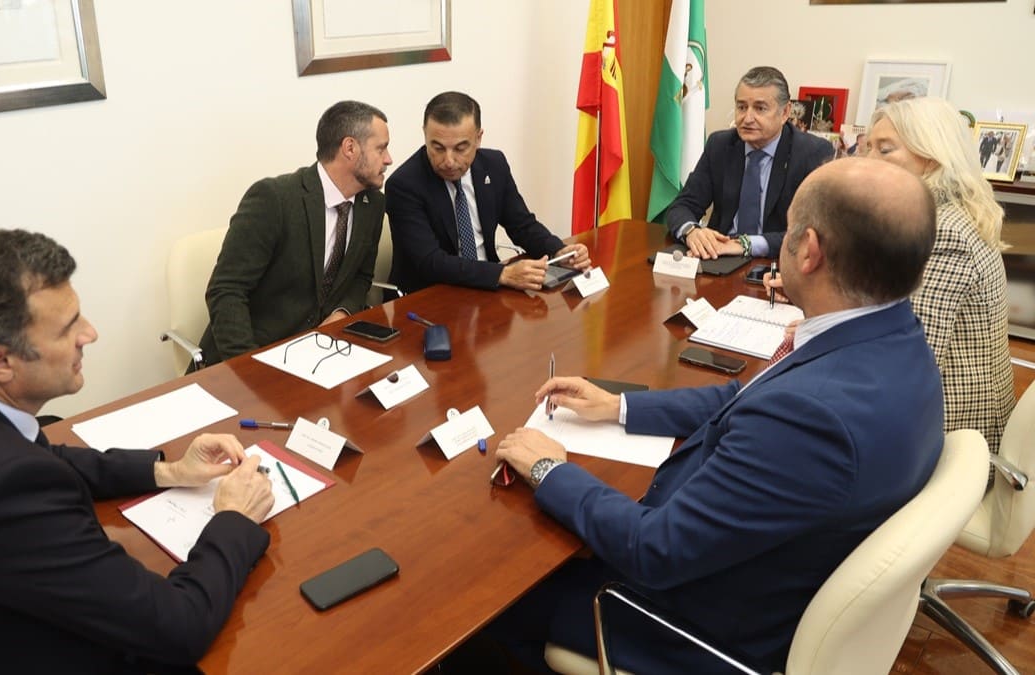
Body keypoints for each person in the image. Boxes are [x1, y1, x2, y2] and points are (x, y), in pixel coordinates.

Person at [488, 158, 943, 673]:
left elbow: (653, 549)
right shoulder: (894, 339)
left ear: (810, 251)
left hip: (691, 627)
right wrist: (620, 406)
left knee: (493, 596)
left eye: (789, 229)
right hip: (769, 565)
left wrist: (550, 468)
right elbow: (748, 396)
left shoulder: (811, 420)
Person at [0, 229, 275, 674]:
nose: (91, 334)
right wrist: (233, 518)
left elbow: (36, 457)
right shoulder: (1, 487)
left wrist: (169, 471)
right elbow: (180, 626)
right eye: (69, 328)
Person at [863, 97, 1015, 455]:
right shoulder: (946, 212)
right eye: (868, 147)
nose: (868, 162)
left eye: (885, 150)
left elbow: (911, 355)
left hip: (956, 432)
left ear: (930, 157)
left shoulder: (942, 232)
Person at [199, 100, 392, 362]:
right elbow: (226, 290)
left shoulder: (373, 204)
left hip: (321, 354)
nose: (389, 159)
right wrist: (248, 366)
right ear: (350, 148)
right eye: (381, 149)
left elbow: (361, 276)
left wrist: (342, 313)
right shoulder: (274, 199)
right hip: (255, 352)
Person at [385, 91, 591, 294]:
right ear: (425, 135)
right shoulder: (404, 185)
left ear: (478, 138)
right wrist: (502, 274)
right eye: (437, 148)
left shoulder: (494, 165)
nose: (448, 160)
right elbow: (430, 262)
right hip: (431, 296)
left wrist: (558, 251)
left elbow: (522, 225)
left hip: (488, 289)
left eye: (460, 148)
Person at [665, 66, 834, 260]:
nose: (747, 118)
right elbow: (683, 206)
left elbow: (813, 233)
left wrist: (744, 245)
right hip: (718, 260)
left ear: (786, 112)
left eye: (760, 108)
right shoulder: (720, 145)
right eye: (742, 107)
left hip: (776, 264)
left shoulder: (812, 153)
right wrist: (692, 232)